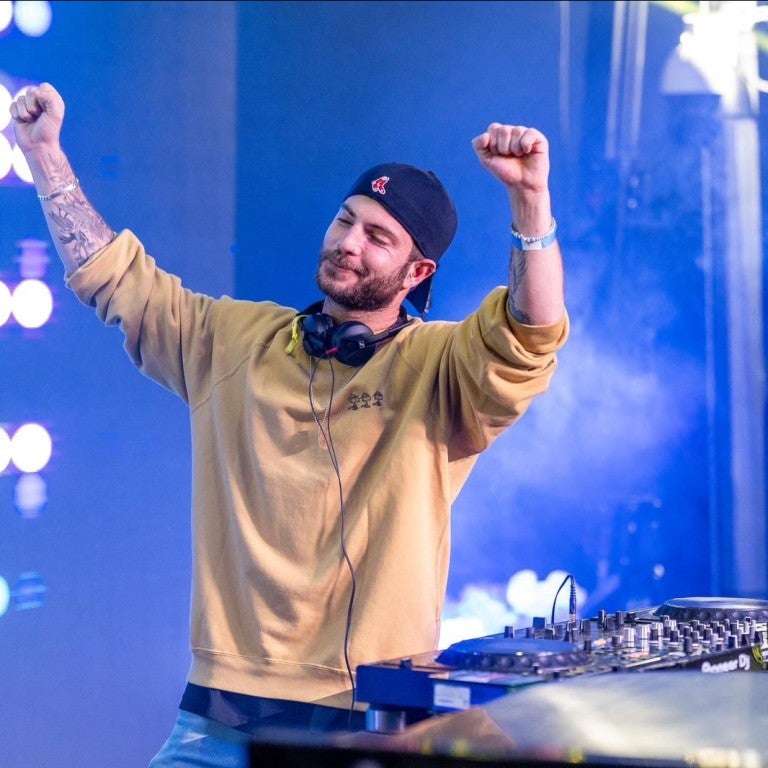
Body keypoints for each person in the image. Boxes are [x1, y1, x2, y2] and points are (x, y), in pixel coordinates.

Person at [10, 82, 568, 767]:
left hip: (371, 720)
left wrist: (529, 202)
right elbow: (113, 279)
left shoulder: (440, 365)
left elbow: (531, 335)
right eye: (344, 221)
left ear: (418, 270)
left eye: (377, 236)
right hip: (217, 719)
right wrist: (43, 155)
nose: (347, 243)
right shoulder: (235, 341)